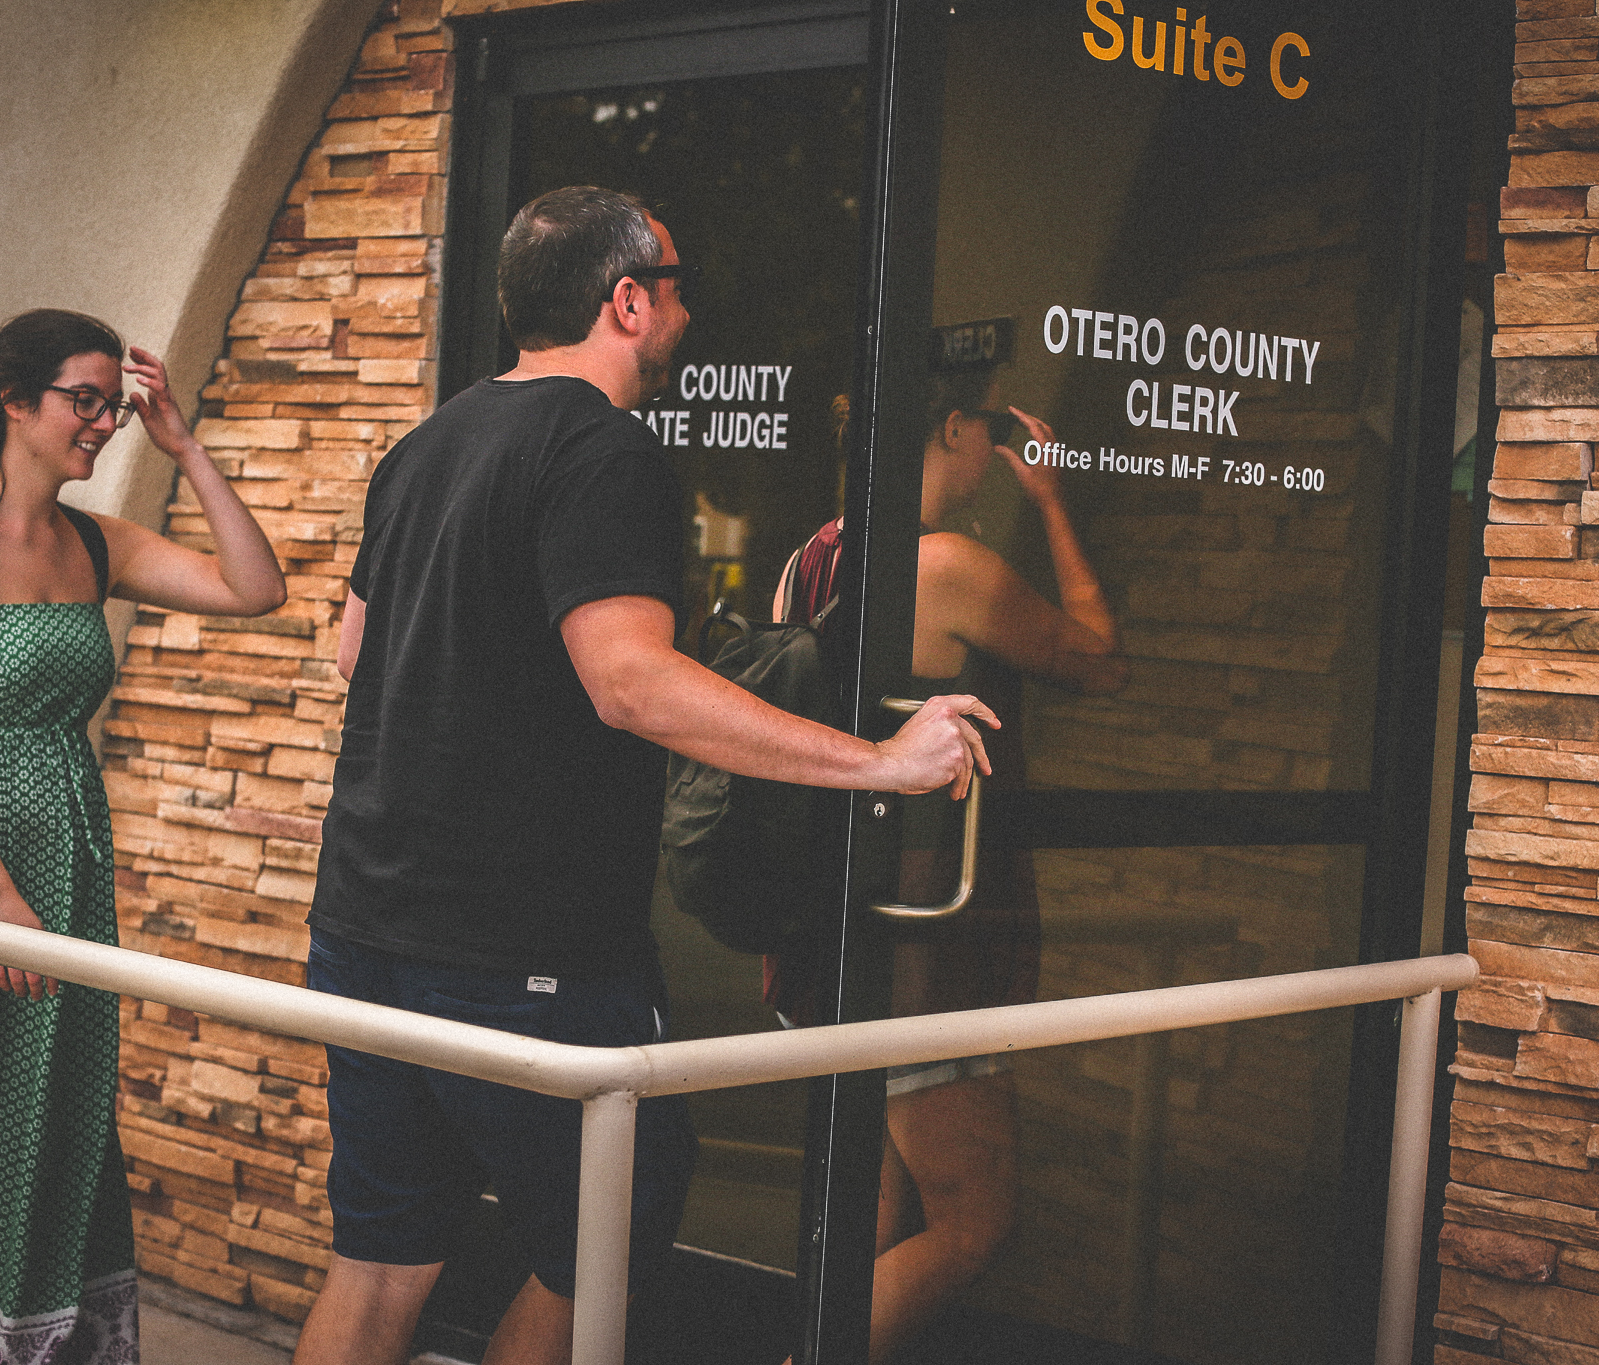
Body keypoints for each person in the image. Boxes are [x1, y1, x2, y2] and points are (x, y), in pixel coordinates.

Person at [295, 186, 994, 1365]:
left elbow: (353, 650)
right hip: (520, 951)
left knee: (379, 1270)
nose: (685, 309)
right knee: (605, 1240)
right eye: (674, 284)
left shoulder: (428, 444)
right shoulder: (602, 449)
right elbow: (631, 683)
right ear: (626, 301)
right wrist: (880, 758)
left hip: (362, 929)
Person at [0, 308, 286, 1362]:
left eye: (114, 404)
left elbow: (253, 589)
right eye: (87, 400)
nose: (105, 423)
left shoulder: (94, 542)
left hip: (62, 862)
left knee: (35, 1114)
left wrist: (187, 448)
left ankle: (11, 1334)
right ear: (12, 404)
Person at [771, 372, 1126, 1363]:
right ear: (952, 427)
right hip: (922, 939)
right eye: (985, 429)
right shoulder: (945, 564)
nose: (991, 452)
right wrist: (1051, 503)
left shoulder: (815, 556)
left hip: (832, 923)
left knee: (876, 1223)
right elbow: (1098, 660)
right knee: (973, 1222)